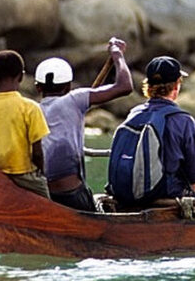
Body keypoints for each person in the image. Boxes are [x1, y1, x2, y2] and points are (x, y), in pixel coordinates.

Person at [35, 37, 133, 211]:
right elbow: (125, 86)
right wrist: (117, 54)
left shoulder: (32, 110)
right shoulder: (75, 98)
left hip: (43, 194)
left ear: (38, 88)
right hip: (72, 194)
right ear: (68, 86)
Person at [112, 56, 195, 200]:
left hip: (127, 193)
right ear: (176, 86)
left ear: (148, 86)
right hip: (165, 194)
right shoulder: (184, 120)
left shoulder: (134, 113)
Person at [0, 50, 51, 198]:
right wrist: (40, 172)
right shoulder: (30, 107)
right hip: (24, 176)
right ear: (21, 77)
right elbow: (37, 152)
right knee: (48, 204)